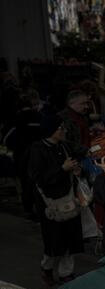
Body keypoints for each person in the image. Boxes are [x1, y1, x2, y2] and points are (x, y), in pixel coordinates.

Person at [27, 114, 84, 285]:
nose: (63, 130)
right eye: (60, 127)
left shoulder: (64, 146)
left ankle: (67, 272)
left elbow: (74, 162)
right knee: (54, 241)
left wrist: (75, 170)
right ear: (51, 130)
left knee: (71, 238)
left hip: (69, 199)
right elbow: (37, 178)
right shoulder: (37, 149)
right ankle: (47, 267)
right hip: (50, 203)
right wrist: (62, 169)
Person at [3, 88, 42, 218]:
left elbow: (7, 138)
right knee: (39, 181)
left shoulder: (15, 120)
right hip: (39, 154)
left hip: (22, 155)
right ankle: (40, 206)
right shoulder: (39, 117)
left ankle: (29, 208)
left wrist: (15, 147)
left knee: (26, 182)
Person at [57, 89, 91, 158]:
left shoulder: (82, 116)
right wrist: (85, 151)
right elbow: (65, 142)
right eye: (83, 103)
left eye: (87, 103)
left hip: (87, 152)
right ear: (71, 103)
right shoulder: (61, 118)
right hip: (73, 159)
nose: (86, 106)